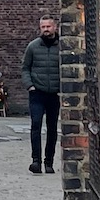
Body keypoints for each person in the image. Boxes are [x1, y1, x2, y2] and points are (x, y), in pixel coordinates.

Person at [21, 17, 61, 174]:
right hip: (37, 92)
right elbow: (25, 67)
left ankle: (49, 162)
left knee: (52, 128)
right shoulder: (33, 47)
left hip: (54, 93)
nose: (46, 29)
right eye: (43, 26)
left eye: (48, 26)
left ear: (54, 27)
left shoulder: (62, 47)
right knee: (36, 125)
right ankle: (36, 161)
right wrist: (29, 85)